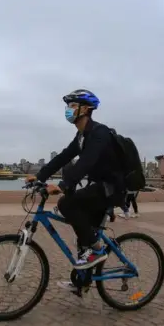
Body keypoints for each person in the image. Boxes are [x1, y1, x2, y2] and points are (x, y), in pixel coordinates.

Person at [26, 89, 124, 280]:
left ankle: (97, 250)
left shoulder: (99, 132)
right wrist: (39, 177)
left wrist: (63, 185)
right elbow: (63, 157)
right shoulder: (81, 136)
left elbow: (86, 161)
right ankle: (82, 279)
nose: (68, 110)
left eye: (72, 106)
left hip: (111, 188)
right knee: (82, 228)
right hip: (98, 186)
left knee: (66, 204)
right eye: (67, 106)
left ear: (85, 109)